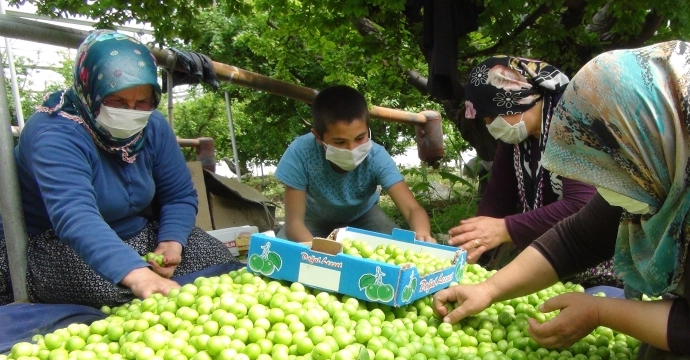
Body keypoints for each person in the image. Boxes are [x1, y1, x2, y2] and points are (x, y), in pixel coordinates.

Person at [434, 41, 690, 360]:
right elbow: (576, 238)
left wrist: (599, 312)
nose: (604, 188)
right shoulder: (661, 159)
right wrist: (489, 289)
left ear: (645, 132)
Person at [0, 30, 235, 308]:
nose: (131, 111)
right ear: (91, 92)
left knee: (220, 264)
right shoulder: (54, 132)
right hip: (59, 244)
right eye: (118, 102)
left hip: (138, 234)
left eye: (142, 103)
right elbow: (75, 216)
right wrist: (138, 277)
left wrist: (171, 242)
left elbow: (178, 195)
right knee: (118, 294)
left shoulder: (152, 126)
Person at [448, 56, 617, 285]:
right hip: (553, 263)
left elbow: (583, 205)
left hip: (603, 263)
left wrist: (505, 228)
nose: (490, 126)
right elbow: (497, 201)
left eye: (491, 116)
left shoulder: (573, 121)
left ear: (518, 98)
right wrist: (471, 244)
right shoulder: (517, 139)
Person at [275, 85, 435, 243]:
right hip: (313, 219)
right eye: (340, 141)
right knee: (282, 250)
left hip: (363, 216)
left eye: (360, 138)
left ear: (368, 129)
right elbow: (294, 224)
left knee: (392, 243)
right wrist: (322, 255)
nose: (352, 149)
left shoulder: (376, 156)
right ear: (317, 136)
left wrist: (422, 234)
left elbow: (412, 209)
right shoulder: (301, 152)